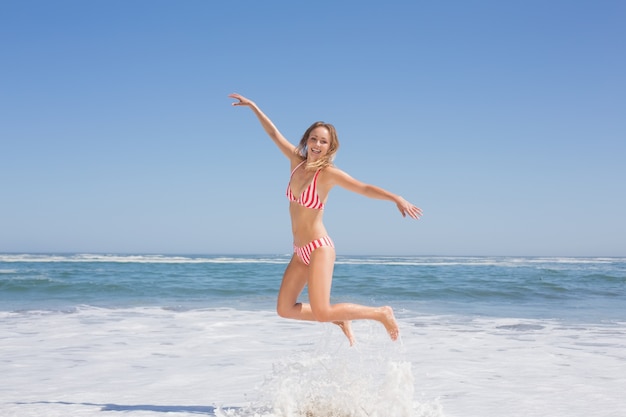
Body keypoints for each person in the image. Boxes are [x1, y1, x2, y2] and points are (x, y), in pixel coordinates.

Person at [229, 93, 422, 345]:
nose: (317, 144)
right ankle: (339, 318)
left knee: (322, 311)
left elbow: (362, 188)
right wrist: (254, 107)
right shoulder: (295, 162)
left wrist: (395, 197)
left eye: (323, 141)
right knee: (284, 309)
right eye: (314, 139)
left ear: (330, 147)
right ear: (306, 141)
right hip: (300, 251)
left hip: (319, 247)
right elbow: (274, 134)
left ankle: (380, 313)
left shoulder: (328, 174)